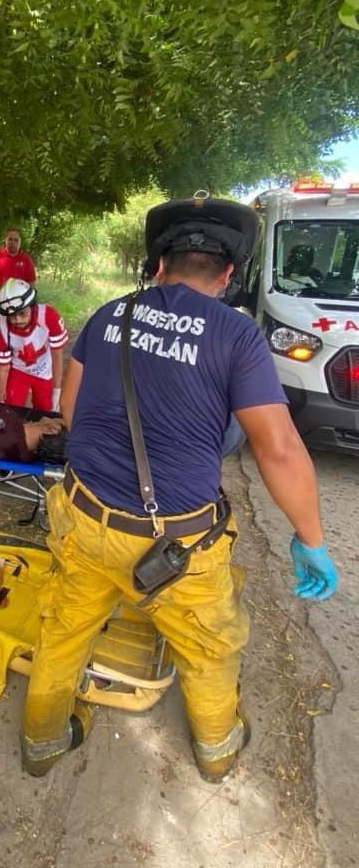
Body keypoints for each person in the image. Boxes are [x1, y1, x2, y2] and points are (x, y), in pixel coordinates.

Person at [21, 193, 338, 783]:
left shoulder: (109, 315)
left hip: (86, 520)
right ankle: (216, 752)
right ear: (227, 276)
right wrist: (310, 537)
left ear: (160, 267)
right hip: (175, 547)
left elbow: (69, 414)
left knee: (64, 631)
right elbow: (278, 448)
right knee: (209, 648)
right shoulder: (237, 337)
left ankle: (42, 742)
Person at [0, 279, 68, 412]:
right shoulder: (2, 329)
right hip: (19, 369)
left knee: (45, 409)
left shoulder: (49, 317)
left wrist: (57, 391)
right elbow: (3, 368)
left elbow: (57, 356)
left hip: (44, 370)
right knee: (11, 407)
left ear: (32, 306)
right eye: (12, 316)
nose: (17, 320)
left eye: (22, 313)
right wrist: (0, 397)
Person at [0, 229, 37, 368]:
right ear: (6, 241)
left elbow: (32, 281)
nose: (13, 243)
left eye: (16, 240)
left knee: (16, 331)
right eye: (10, 239)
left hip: (18, 306)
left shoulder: (26, 259)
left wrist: (30, 301)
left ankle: (15, 360)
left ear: (20, 243)